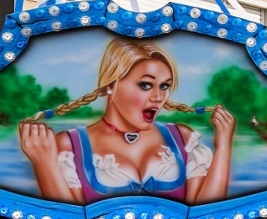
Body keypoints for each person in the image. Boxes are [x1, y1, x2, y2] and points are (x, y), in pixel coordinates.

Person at [17, 36, 236, 206]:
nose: (159, 97)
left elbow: (206, 214)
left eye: (165, 86)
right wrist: (44, 163)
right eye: (145, 85)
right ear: (111, 85)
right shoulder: (69, 146)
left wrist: (223, 146)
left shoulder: (183, 139)